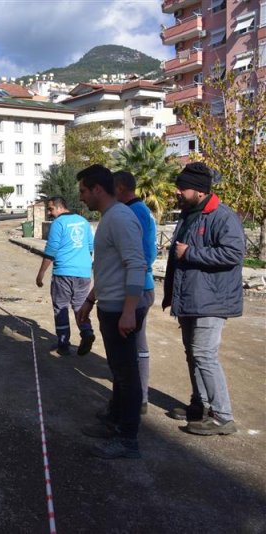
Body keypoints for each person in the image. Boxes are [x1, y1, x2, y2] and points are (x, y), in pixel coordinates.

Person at [162, 162, 245, 436]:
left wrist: (191, 254)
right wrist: (170, 294)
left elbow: (233, 254)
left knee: (204, 355)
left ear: (199, 190)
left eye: (182, 187)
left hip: (212, 299)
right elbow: (177, 256)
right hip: (190, 298)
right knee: (192, 355)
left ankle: (223, 416)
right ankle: (200, 405)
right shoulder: (189, 214)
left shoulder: (222, 216)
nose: (177, 191)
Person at [75, 164, 147, 459]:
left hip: (122, 310)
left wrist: (129, 311)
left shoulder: (120, 219)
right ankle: (114, 421)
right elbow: (108, 270)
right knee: (119, 371)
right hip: (111, 305)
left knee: (127, 375)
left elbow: (136, 264)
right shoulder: (109, 218)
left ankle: (128, 439)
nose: (80, 197)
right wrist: (90, 300)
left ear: (98, 190)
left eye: (83, 191)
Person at [112, 171, 157, 415]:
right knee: (137, 345)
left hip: (136, 287)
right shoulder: (142, 210)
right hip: (142, 285)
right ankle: (138, 398)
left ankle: (134, 400)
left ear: (119, 188)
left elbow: (142, 256)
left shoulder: (133, 212)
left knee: (129, 348)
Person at [35, 196, 95, 356]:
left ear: (60, 207)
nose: (49, 213)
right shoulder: (83, 221)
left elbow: (51, 250)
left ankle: (63, 344)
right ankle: (87, 331)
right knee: (80, 306)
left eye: (50, 209)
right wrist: (83, 264)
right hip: (83, 272)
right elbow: (90, 247)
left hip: (63, 272)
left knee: (60, 307)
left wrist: (41, 273)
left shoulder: (58, 223)